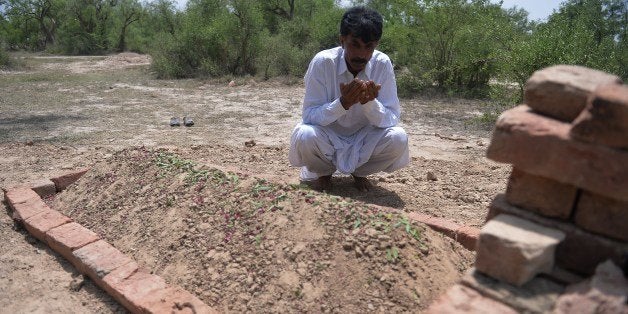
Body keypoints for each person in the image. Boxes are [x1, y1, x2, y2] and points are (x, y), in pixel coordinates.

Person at [288, 6, 410, 192]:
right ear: (342, 40)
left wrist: (370, 104)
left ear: (376, 44)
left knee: (398, 139)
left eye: (368, 46)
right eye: (355, 44)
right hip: (327, 135)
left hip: (364, 137)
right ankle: (324, 172)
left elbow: (392, 118)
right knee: (305, 136)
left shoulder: (382, 64)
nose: (361, 55)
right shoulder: (323, 62)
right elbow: (309, 117)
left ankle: (359, 172)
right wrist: (342, 104)